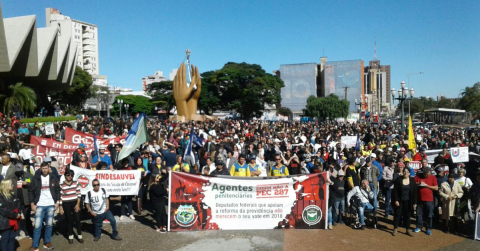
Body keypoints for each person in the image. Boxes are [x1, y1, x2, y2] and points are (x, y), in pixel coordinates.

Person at [28, 162, 60, 251]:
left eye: (46, 168)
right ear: (40, 169)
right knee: (37, 226)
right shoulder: (36, 178)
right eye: (43, 168)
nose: (45, 170)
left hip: (50, 204)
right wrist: (32, 204)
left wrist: (57, 202)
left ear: (49, 168)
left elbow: (58, 190)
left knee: (49, 225)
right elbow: (30, 191)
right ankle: (35, 245)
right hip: (39, 204)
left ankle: (47, 242)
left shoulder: (53, 178)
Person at [59, 169, 83, 244]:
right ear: (65, 175)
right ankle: (70, 235)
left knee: (78, 220)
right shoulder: (61, 185)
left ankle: (79, 235)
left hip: (75, 202)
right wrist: (60, 207)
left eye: (71, 175)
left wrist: (78, 204)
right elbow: (60, 197)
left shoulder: (76, 183)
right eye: (68, 175)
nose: (70, 177)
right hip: (66, 204)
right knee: (69, 220)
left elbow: (79, 194)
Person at [392, 168, 417, 236]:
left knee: (408, 216)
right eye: (404, 171)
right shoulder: (398, 180)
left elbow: (414, 192)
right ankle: (395, 229)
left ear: (409, 173)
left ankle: (408, 229)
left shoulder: (412, 181)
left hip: (408, 201)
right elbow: (395, 191)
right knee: (397, 214)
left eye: (407, 172)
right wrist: (396, 200)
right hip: (400, 200)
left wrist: (414, 203)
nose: (405, 173)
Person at [413, 167, 438, 235]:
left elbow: (436, 188)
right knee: (419, 214)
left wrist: (427, 186)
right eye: (424, 174)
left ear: (430, 172)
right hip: (419, 199)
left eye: (427, 174)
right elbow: (413, 182)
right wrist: (419, 183)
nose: (426, 175)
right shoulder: (418, 176)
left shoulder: (433, 177)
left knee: (429, 215)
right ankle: (419, 226)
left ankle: (428, 228)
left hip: (429, 200)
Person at [0, 179, 21, 251]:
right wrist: (15, 215)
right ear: (6, 186)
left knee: (12, 238)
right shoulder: (1, 197)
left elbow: (18, 204)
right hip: (5, 222)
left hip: (13, 221)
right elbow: (3, 210)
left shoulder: (12, 194)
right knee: (5, 239)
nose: (13, 185)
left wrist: (18, 213)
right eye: (11, 184)